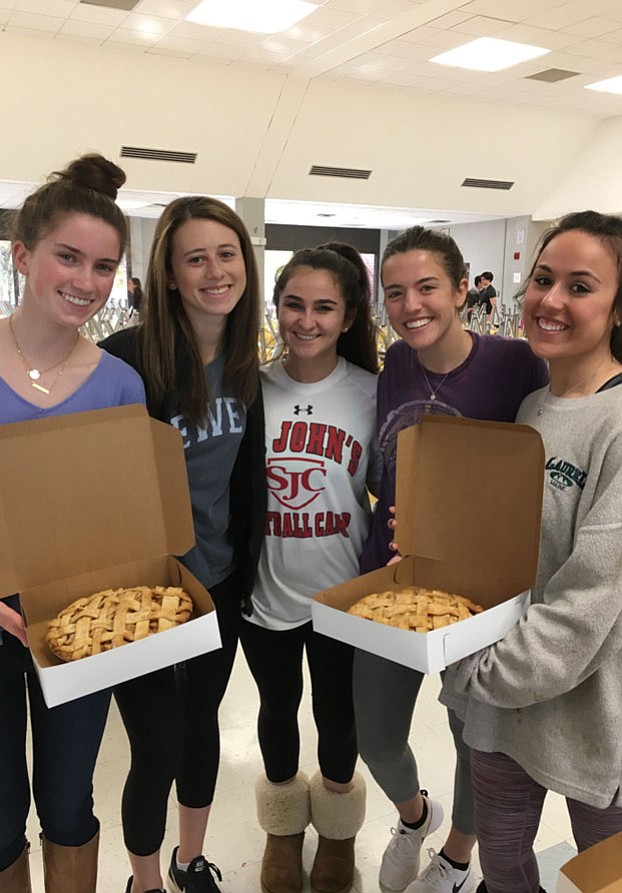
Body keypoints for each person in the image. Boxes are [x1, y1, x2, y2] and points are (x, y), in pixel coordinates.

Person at [0, 153, 145, 892]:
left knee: (69, 806)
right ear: (23, 254)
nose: (85, 282)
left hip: (79, 636)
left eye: (103, 266)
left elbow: (126, 521)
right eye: (68, 257)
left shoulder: (119, 385)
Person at [354, 226, 548, 893]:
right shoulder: (394, 365)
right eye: (396, 291)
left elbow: (547, 473)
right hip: (392, 582)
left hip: (481, 598)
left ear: (464, 289)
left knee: (472, 736)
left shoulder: (519, 366)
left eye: (428, 286)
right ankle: (415, 816)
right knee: (375, 734)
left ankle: (458, 855)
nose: (411, 304)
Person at [441, 211, 622, 893]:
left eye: (581, 286)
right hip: (507, 711)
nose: (550, 300)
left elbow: (584, 605)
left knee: (606, 876)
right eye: (543, 278)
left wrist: (468, 670)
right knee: (506, 867)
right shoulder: (531, 407)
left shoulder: (616, 425)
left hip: (596, 717)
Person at [100, 196, 265, 893]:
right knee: (156, 744)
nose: (215, 270)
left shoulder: (242, 359)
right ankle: (144, 880)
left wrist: (247, 570)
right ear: (168, 273)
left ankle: (189, 858)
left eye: (227, 254)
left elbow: (246, 477)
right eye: (195, 257)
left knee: (201, 729)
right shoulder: (124, 361)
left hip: (218, 582)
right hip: (142, 596)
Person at [240, 244, 380, 893]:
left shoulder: (372, 393)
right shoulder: (248, 389)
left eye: (324, 306)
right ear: (275, 308)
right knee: (277, 707)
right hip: (263, 595)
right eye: (293, 303)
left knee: (338, 716)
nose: (307, 319)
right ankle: (282, 829)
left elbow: (399, 490)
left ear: (349, 315)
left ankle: (338, 835)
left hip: (343, 597)